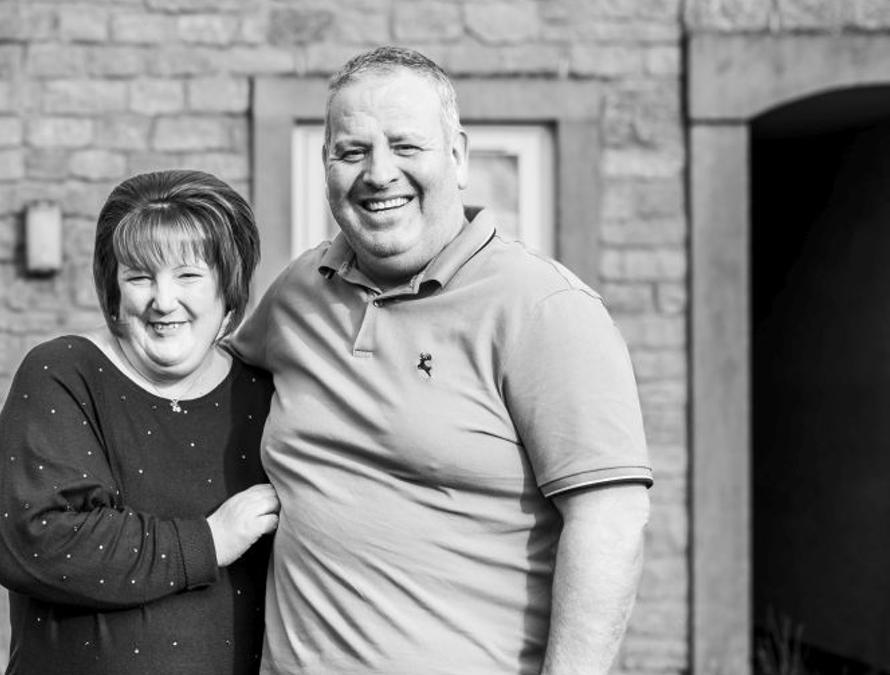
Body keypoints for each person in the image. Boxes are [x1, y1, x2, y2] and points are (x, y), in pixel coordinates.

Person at [230, 46, 653, 674]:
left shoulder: (542, 308)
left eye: (406, 146)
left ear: (456, 156)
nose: (378, 174)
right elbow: (200, 389)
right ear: (325, 166)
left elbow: (609, 518)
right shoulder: (300, 292)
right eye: (352, 151)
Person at [0, 170, 279, 674]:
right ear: (113, 292)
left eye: (188, 275)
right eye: (139, 276)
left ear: (227, 288)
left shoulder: (263, 393)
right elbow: (33, 538)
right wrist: (208, 542)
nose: (163, 301)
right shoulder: (64, 375)